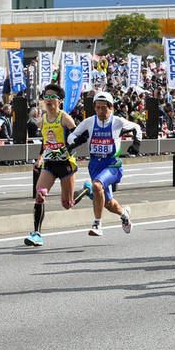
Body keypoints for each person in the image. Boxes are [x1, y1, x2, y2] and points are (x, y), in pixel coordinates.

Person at [67, 91, 139, 239]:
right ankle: (124, 214)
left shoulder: (117, 121)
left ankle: (97, 224)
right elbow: (72, 135)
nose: (101, 111)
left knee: (97, 186)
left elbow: (136, 128)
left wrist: (136, 144)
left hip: (112, 164)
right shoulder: (89, 122)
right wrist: (75, 141)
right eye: (98, 107)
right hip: (95, 165)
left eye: (104, 108)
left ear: (111, 107)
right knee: (108, 203)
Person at [24, 83, 78, 247]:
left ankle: (87, 190)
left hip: (65, 164)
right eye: (45, 97)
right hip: (50, 164)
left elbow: (78, 137)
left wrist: (68, 148)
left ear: (59, 101)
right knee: (40, 194)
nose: (48, 100)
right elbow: (45, 142)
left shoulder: (65, 118)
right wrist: (39, 157)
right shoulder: (43, 120)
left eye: (52, 97)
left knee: (67, 204)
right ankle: (37, 234)